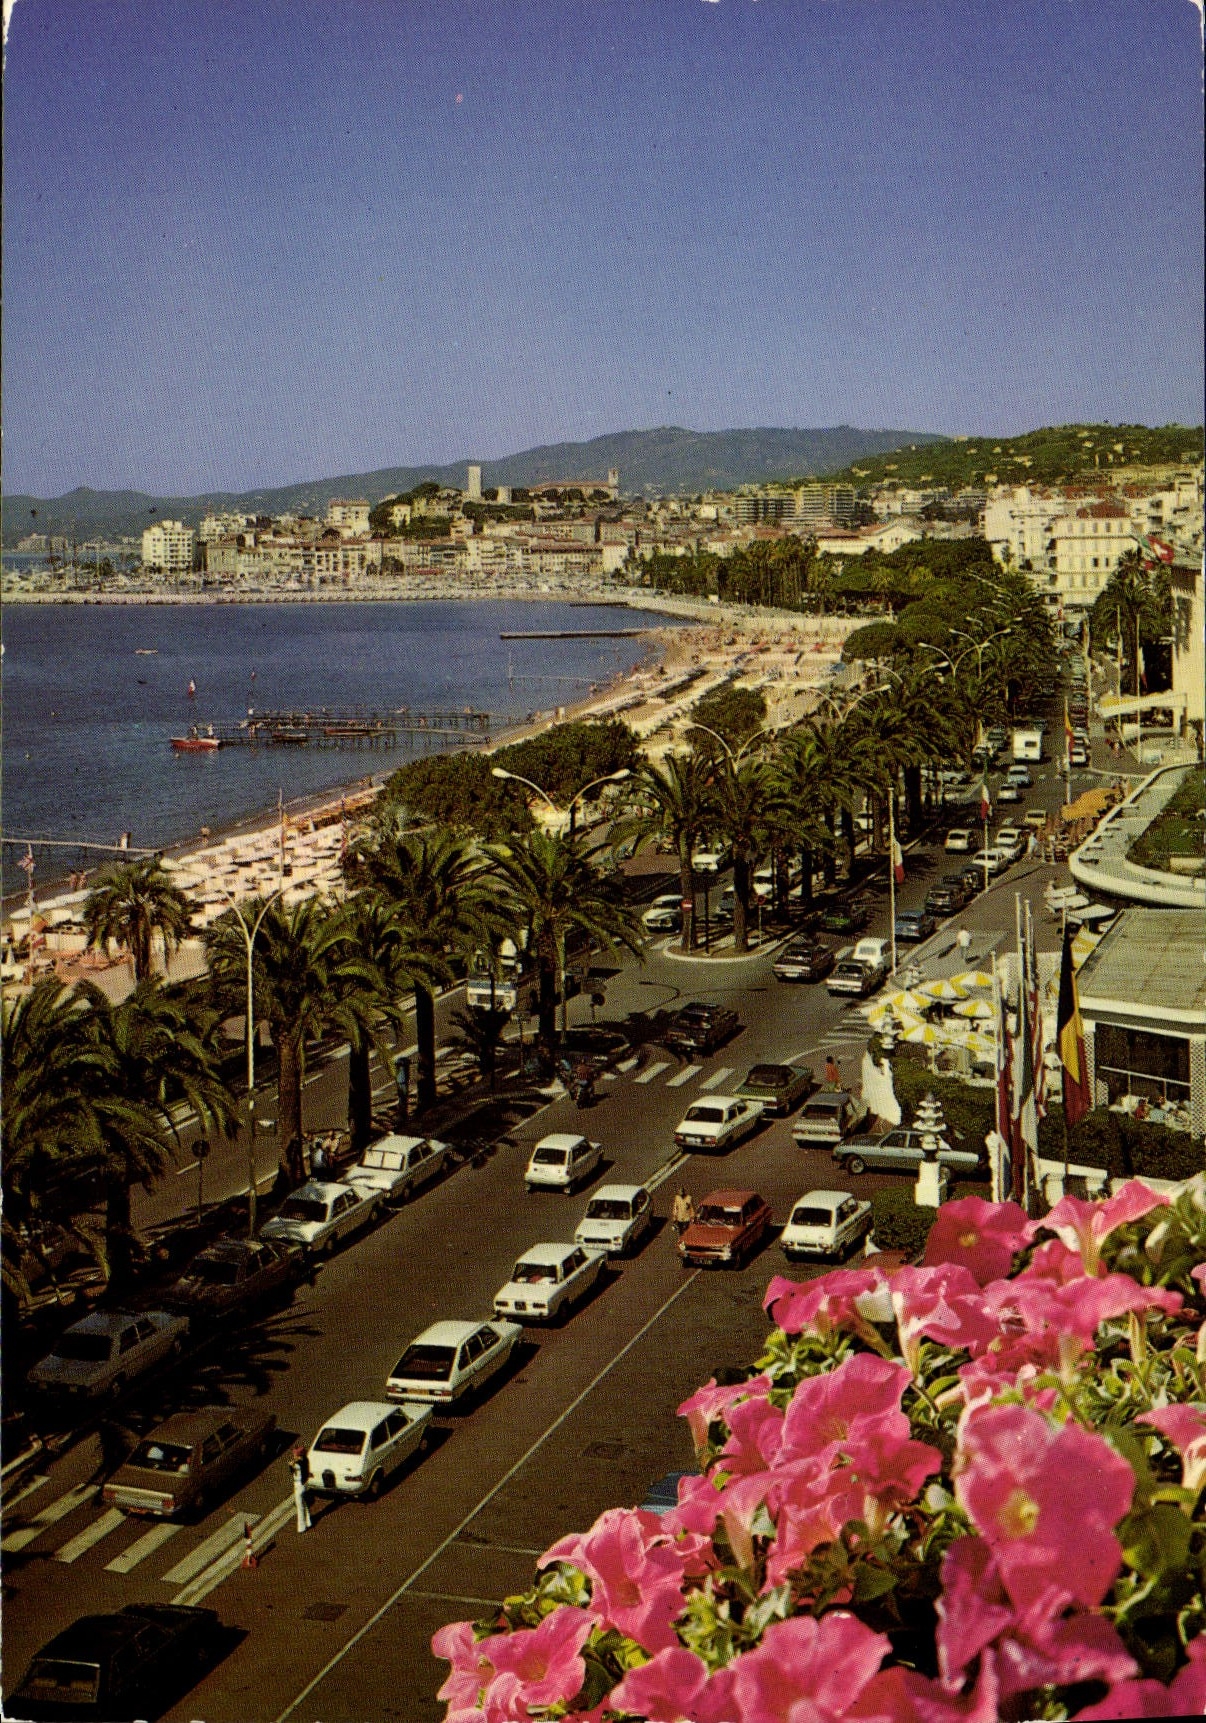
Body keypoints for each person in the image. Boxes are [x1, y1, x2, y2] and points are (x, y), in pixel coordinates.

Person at [289, 1445, 311, 1534]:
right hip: (303, 1484)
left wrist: (291, 1465)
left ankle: (302, 1527)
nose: (294, 1456)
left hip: (298, 1485)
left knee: (299, 1506)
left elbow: (292, 1471)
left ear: (299, 1455)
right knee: (304, 1503)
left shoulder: (298, 1464)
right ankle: (308, 1521)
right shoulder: (305, 1460)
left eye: (295, 1454)